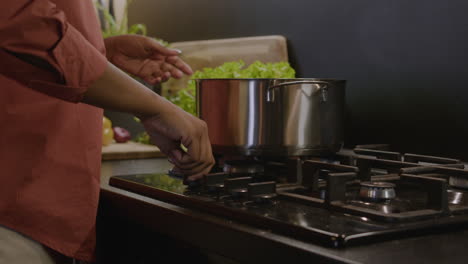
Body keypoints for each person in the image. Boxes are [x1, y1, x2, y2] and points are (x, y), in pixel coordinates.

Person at [0, 0, 215, 263]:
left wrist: (100, 50)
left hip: (34, 196)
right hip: (13, 200)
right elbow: (19, 23)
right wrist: (154, 107)